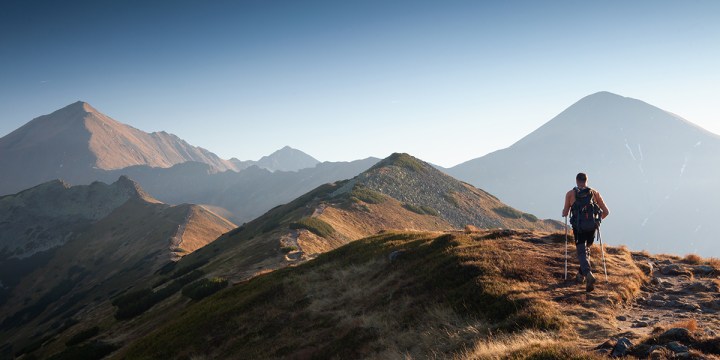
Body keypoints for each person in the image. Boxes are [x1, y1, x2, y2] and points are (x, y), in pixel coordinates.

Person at [562, 172, 609, 292]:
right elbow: (606, 211)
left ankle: (588, 274)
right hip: (591, 228)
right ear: (586, 180)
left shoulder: (570, 194)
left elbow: (565, 212)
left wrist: (565, 211)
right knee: (586, 251)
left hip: (579, 228)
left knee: (582, 253)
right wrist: (597, 222)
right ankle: (580, 276)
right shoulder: (594, 193)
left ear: (577, 180)